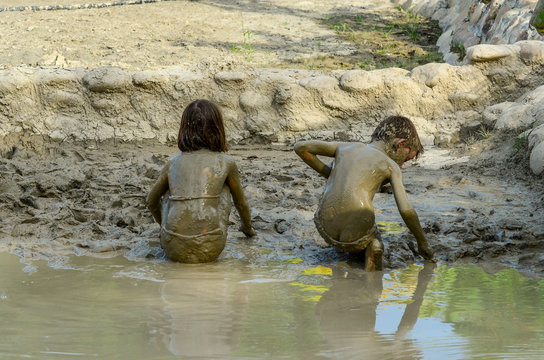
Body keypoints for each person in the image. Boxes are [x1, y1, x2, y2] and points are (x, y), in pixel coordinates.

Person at [294, 116, 434, 271]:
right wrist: (423, 243)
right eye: (406, 159)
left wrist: (332, 176)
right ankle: (372, 261)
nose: (401, 165)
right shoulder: (391, 166)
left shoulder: (346, 147)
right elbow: (406, 210)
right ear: (398, 145)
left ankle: (342, 249)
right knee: (375, 241)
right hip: (357, 224)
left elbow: (301, 147)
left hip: (324, 224)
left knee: (344, 229)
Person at [146, 99, 255, 263]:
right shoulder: (226, 162)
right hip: (211, 247)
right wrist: (247, 229)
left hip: (172, 248)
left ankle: (169, 231)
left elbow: (151, 201)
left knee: (171, 190)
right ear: (218, 129)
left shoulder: (173, 163)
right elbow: (241, 203)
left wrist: (164, 226)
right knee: (225, 188)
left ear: (184, 129)